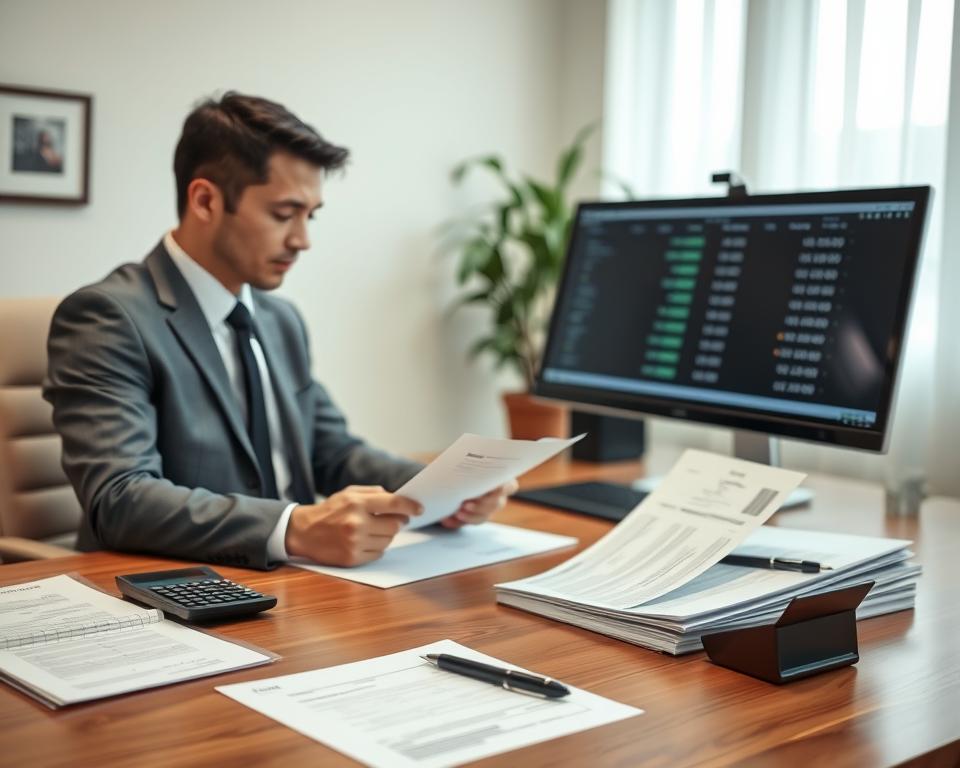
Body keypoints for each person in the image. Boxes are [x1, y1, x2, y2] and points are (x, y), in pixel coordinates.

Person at [44, 92, 516, 570]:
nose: (302, 240)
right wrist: (294, 528)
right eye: (283, 213)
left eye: (310, 216)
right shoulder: (106, 317)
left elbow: (331, 452)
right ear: (205, 200)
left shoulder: (279, 319)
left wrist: (441, 487)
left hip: (302, 586)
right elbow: (120, 499)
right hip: (176, 591)